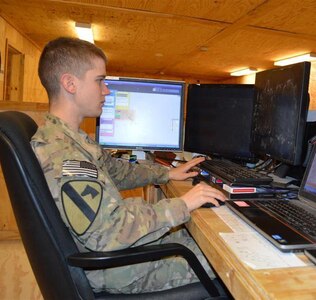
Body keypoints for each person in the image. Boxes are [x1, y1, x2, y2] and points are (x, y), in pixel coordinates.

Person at [31, 37, 227, 294]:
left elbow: (116, 170)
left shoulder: (68, 138)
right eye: (100, 81)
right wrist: (185, 203)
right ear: (69, 83)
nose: (106, 91)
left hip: (122, 252)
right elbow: (108, 233)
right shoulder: (63, 155)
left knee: (216, 241)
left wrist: (167, 173)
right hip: (119, 269)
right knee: (227, 260)